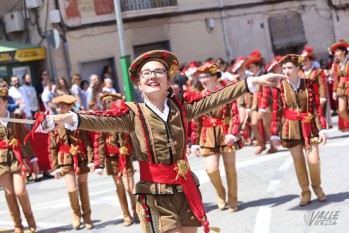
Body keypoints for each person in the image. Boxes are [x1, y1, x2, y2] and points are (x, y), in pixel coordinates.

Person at [39, 50, 285, 233]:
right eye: (146, 73)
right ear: (139, 84)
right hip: (155, 195)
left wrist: (252, 82)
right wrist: (66, 118)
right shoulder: (131, 113)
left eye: (158, 72)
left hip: (185, 188)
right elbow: (99, 119)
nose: (152, 76)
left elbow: (216, 97)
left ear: (169, 80)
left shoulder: (182, 107)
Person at [270, 54, 327, 206]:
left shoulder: (309, 84)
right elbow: (277, 111)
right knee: (298, 162)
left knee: (314, 160)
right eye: (284, 68)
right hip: (291, 128)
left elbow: (316, 108)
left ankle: (317, 186)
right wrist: (275, 133)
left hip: (310, 126)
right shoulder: (280, 87)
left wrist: (322, 129)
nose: (286, 71)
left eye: (289, 67)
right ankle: (305, 192)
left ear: (298, 68)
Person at [190, 63, 243, 212]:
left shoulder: (225, 92)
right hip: (208, 135)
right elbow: (196, 120)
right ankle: (220, 193)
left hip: (226, 132)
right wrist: (194, 142)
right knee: (211, 169)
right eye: (200, 77)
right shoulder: (199, 96)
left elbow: (234, 114)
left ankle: (233, 200)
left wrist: (233, 133)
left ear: (215, 77)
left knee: (230, 170)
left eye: (206, 76)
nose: (203, 79)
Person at [48, 95, 95, 230]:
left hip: (81, 157)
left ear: (69, 107)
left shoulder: (77, 121)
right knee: (72, 189)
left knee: (82, 188)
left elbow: (87, 141)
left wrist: (91, 160)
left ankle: (87, 217)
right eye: (58, 107)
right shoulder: (54, 124)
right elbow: (52, 147)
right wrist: (54, 167)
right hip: (65, 159)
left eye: (63, 106)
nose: (60, 109)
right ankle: (76, 215)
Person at [94, 92, 139, 226]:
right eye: (107, 104)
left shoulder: (125, 118)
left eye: (112, 103)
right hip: (112, 159)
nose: (110, 107)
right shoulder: (103, 120)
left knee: (130, 187)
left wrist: (139, 154)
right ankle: (126, 214)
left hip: (126, 157)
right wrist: (99, 163)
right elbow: (100, 143)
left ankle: (136, 210)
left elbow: (134, 137)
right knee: (119, 187)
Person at [0, 85, 40, 233]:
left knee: (20, 191)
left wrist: (33, 159)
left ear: (5, 102)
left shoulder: (16, 118)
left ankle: (31, 220)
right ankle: (18, 225)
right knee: (9, 193)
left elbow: (25, 140)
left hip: (17, 158)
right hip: (1, 161)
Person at [330, 39, 349, 130]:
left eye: (337, 51)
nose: (335, 53)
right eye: (335, 52)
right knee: (341, 110)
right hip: (341, 88)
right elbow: (336, 78)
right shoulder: (336, 65)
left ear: (344, 52)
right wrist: (334, 91)